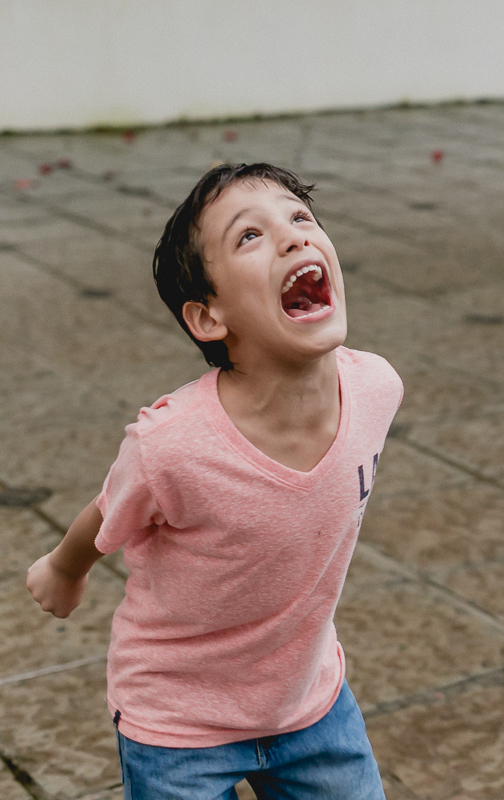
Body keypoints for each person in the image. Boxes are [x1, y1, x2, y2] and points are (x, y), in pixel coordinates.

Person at [26, 163, 401, 799]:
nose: (293, 238)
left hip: (310, 704)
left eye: (300, 217)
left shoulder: (375, 389)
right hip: (179, 722)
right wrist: (64, 569)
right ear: (208, 317)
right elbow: (107, 508)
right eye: (249, 237)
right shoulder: (171, 446)